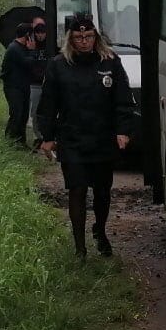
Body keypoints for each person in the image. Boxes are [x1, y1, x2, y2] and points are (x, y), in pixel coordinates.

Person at [36, 14, 136, 258]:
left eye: (88, 36)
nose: (84, 41)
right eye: (79, 37)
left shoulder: (110, 62)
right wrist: (47, 136)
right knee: (77, 190)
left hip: (102, 137)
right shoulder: (58, 65)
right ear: (71, 39)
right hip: (72, 138)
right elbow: (48, 104)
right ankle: (79, 248)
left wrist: (123, 130)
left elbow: (123, 99)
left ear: (95, 37)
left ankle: (100, 230)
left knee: (102, 191)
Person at [0, 22, 37, 147]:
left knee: (24, 115)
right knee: (16, 114)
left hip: (23, 86)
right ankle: (10, 141)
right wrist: (32, 51)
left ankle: (21, 142)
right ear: (27, 35)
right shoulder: (14, 48)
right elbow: (28, 63)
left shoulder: (22, 47)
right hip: (13, 87)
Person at [27, 18, 50, 146]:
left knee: (48, 111)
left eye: (43, 33)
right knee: (35, 111)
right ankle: (39, 136)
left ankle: (48, 136)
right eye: (38, 33)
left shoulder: (50, 44)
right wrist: (31, 51)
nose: (40, 35)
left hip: (48, 82)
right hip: (35, 83)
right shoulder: (30, 44)